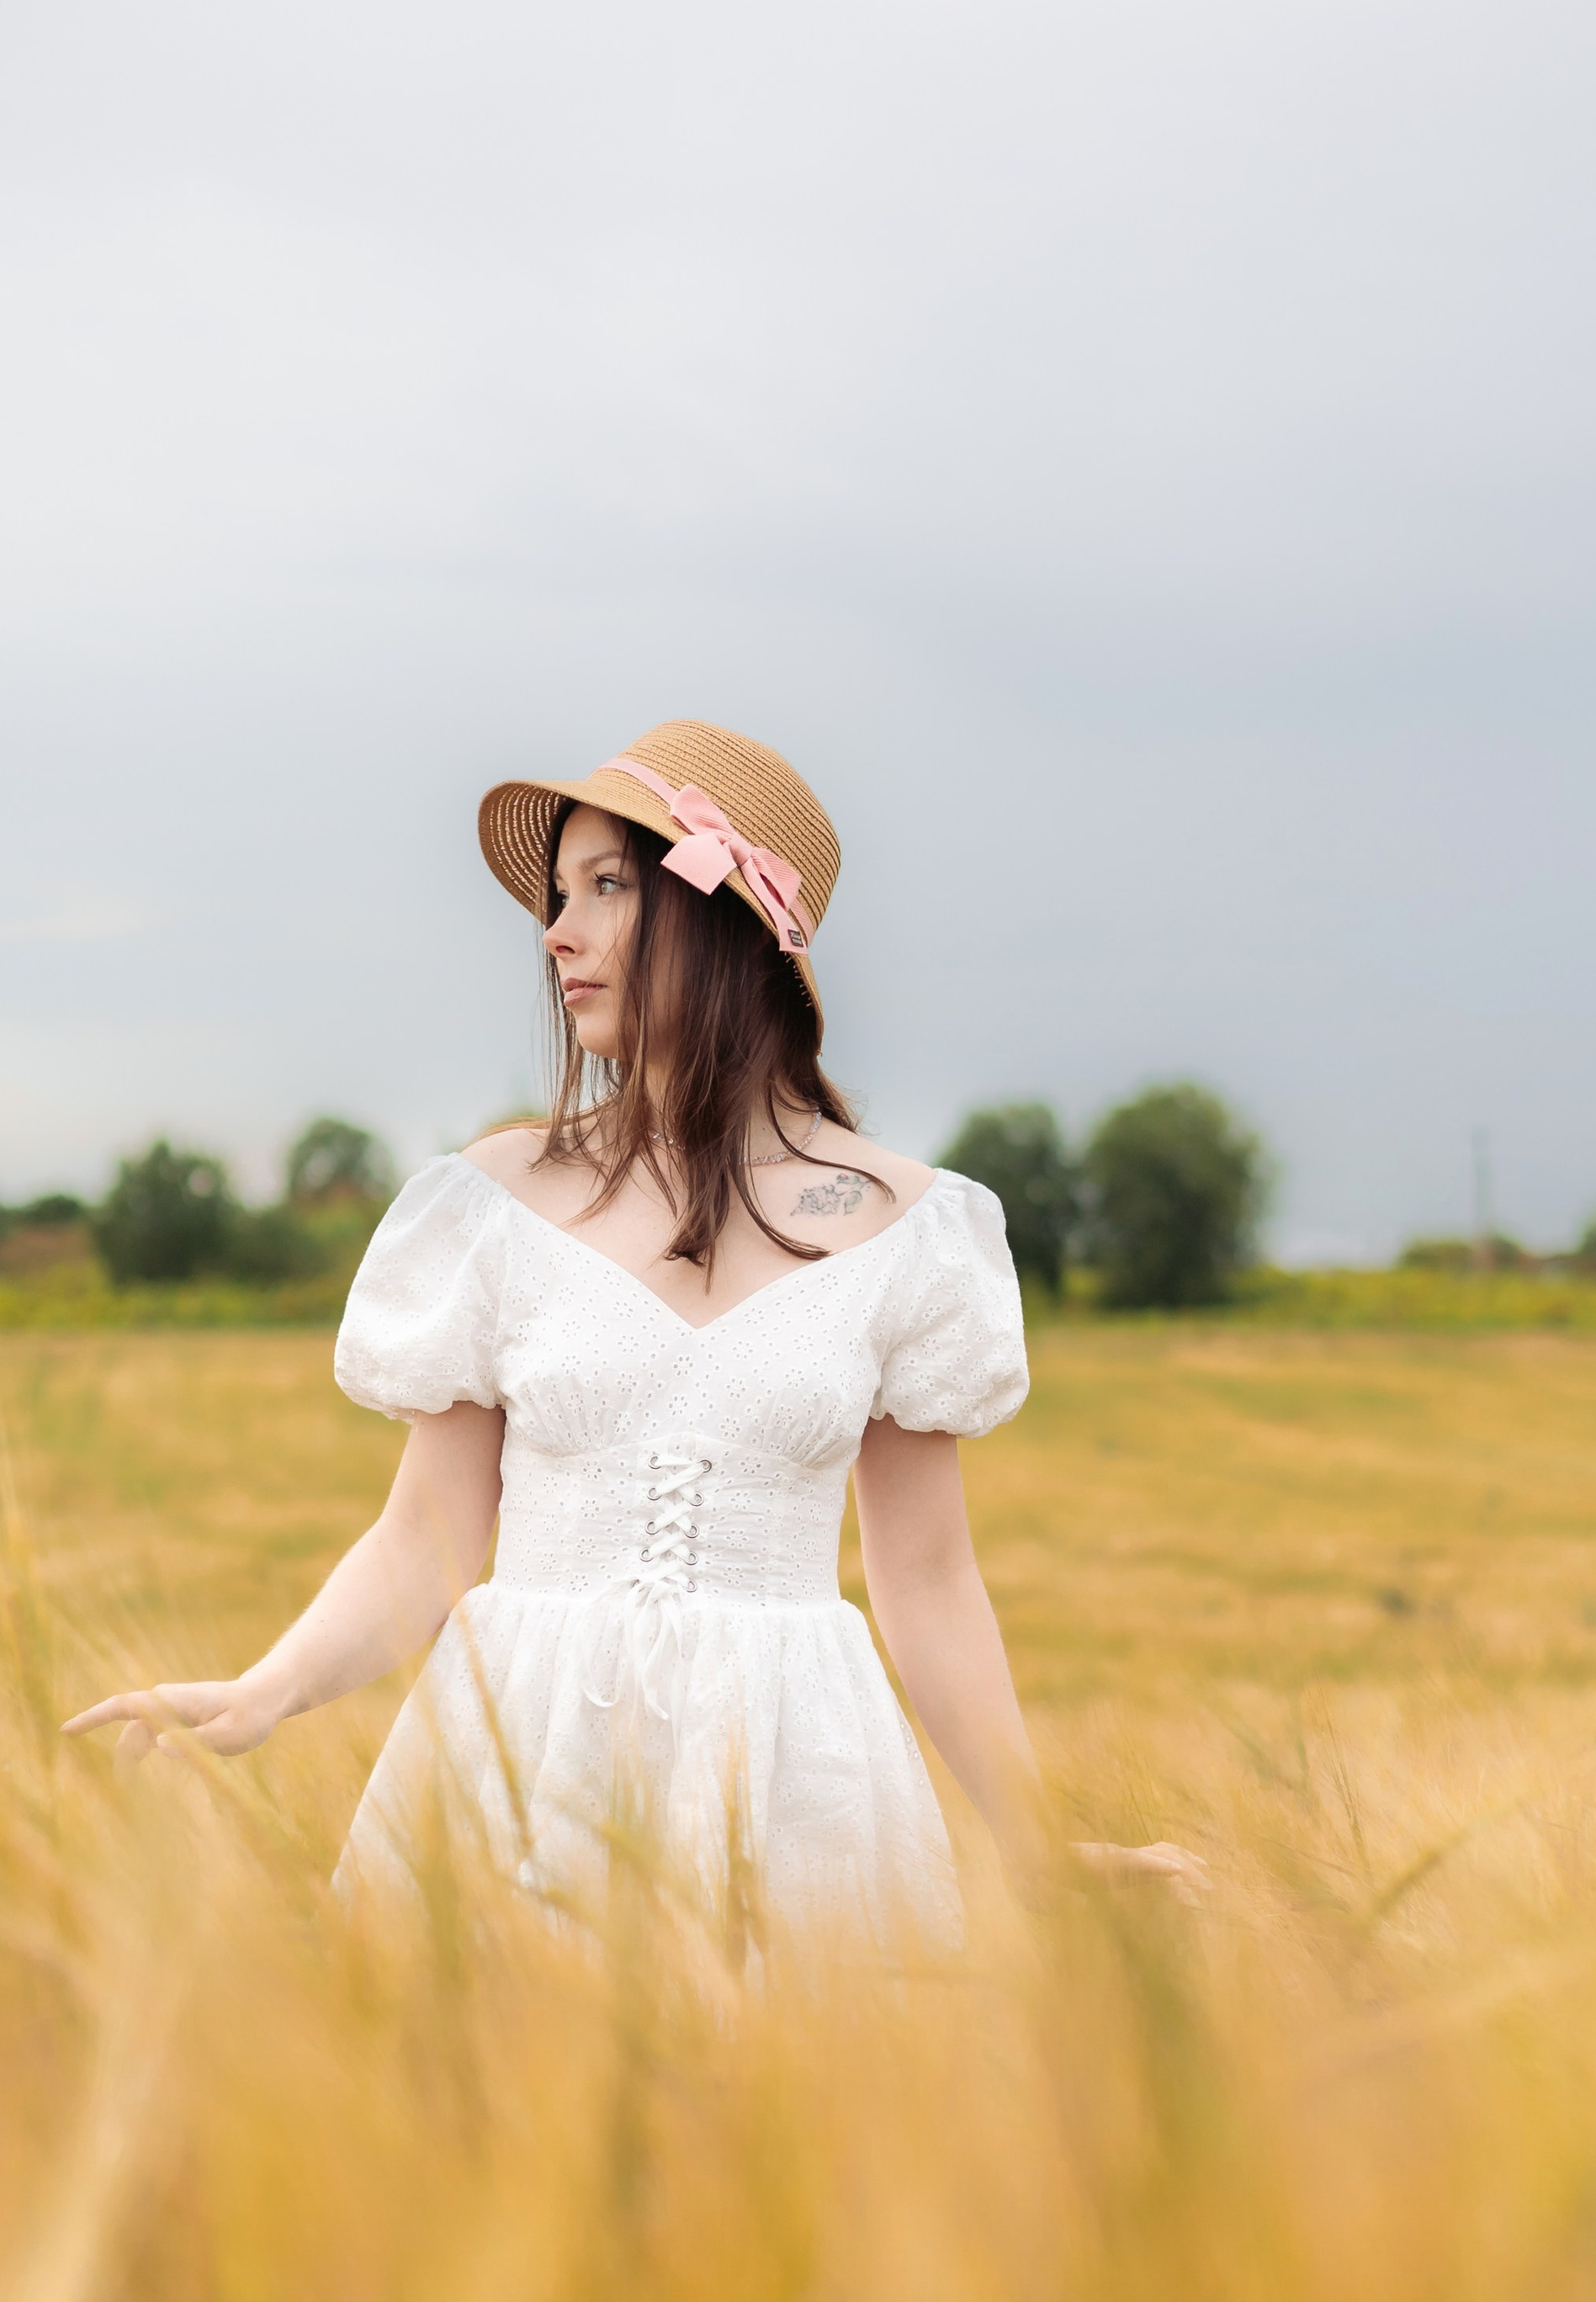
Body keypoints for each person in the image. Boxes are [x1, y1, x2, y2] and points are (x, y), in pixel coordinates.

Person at [67, 720, 1186, 1944]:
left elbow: (927, 1577)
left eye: (609, 886)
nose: (559, 932)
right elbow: (427, 1534)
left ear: (726, 924)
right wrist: (261, 1693)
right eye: (559, 894)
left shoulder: (904, 1228)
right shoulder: (498, 1201)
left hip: (796, 1778)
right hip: (520, 1762)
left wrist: (1035, 1846)